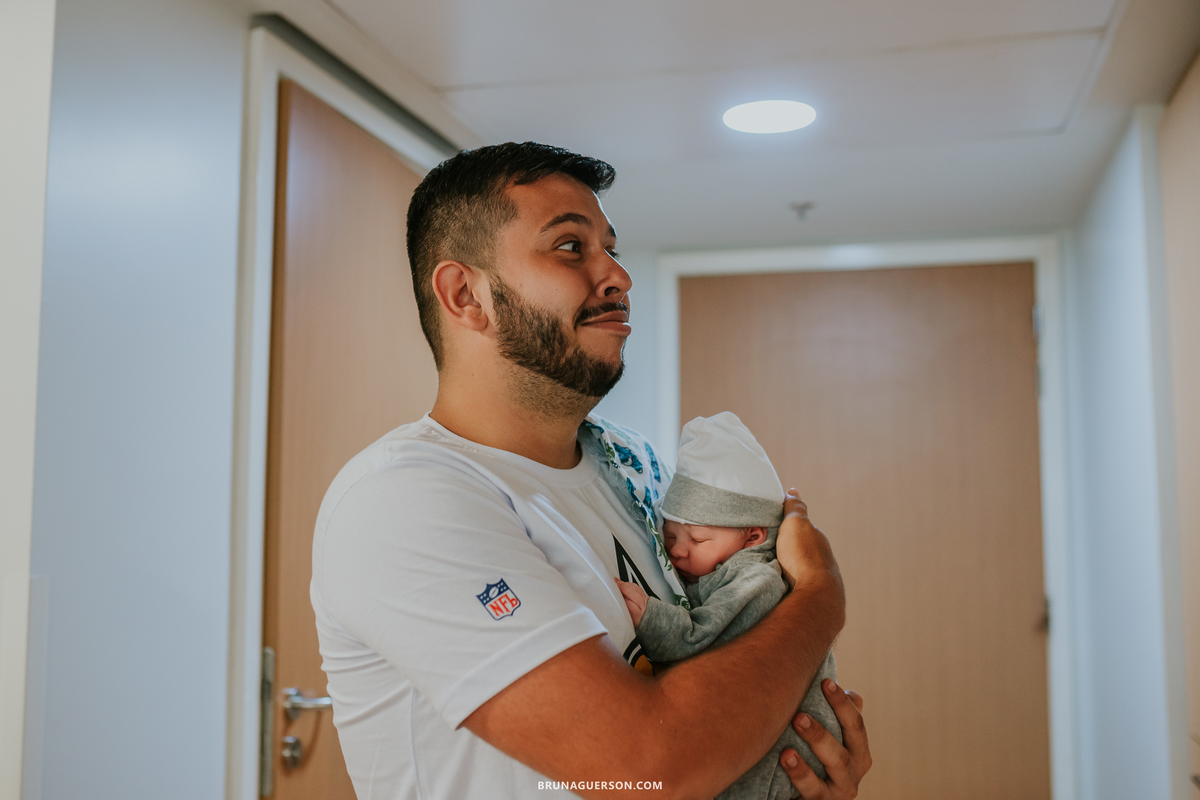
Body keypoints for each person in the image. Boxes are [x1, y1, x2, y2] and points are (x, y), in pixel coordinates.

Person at [311, 142, 872, 799]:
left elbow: (720, 675)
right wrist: (820, 598)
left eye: (612, 248)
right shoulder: (402, 500)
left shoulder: (638, 468)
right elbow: (646, 768)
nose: (618, 277)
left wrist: (792, 773)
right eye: (571, 247)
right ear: (466, 295)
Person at [616, 412, 841, 800]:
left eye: (698, 540)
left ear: (752, 537)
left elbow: (707, 635)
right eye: (670, 535)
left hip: (791, 747)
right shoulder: (719, 568)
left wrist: (652, 617)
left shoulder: (758, 580)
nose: (677, 551)